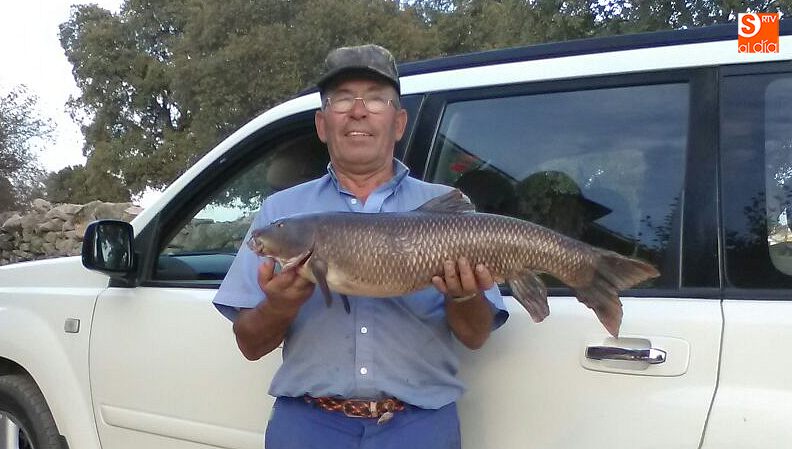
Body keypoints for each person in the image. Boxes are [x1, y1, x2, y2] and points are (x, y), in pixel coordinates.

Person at [213, 44, 508, 449]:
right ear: (322, 124)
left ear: (399, 122)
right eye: (341, 99)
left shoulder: (449, 211)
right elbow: (249, 344)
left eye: (375, 97)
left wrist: (464, 297)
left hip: (419, 426)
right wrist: (280, 304)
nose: (358, 110)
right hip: (309, 424)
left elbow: (475, 336)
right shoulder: (279, 211)